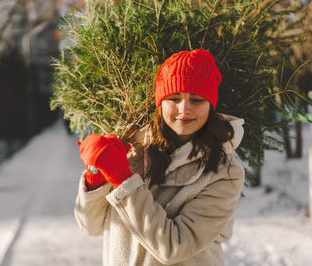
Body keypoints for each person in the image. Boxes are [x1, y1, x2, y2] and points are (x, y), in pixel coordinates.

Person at [75, 49, 245, 266]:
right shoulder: (131, 148)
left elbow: (175, 247)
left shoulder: (225, 172)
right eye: (174, 98)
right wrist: (95, 176)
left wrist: (123, 180)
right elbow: (90, 226)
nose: (184, 109)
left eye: (196, 99)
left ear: (210, 105)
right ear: (161, 102)